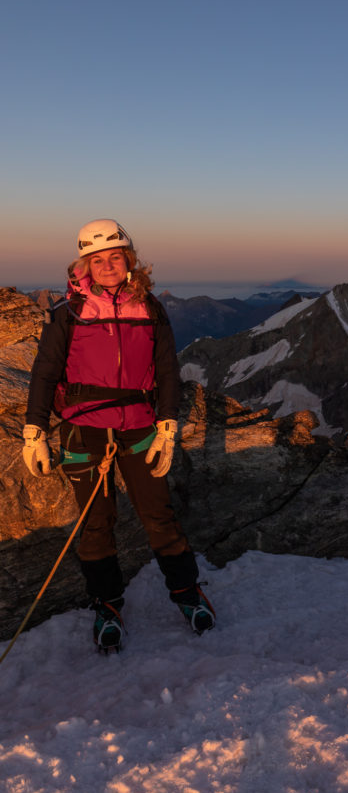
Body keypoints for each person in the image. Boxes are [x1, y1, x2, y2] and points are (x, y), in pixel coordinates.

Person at [22, 218, 215, 652]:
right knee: (95, 523)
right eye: (97, 259)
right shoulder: (67, 312)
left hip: (141, 426)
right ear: (84, 266)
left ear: (128, 260)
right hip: (82, 428)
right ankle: (106, 605)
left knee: (158, 515)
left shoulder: (150, 308)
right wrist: (34, 430)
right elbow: (45, 371)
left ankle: (187, 594)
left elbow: (167, 369)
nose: (107, 265)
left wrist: (168, 423)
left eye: (114, 256)